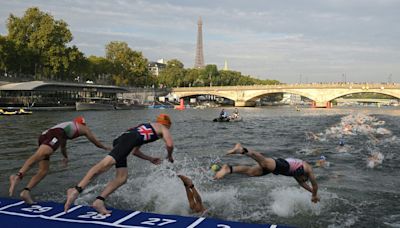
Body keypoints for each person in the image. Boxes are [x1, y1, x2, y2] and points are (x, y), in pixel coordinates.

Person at [64, 114, 174, 215]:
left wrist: (150, 159)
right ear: (167, 124)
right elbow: (170, 145)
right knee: (103, 165)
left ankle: (99, 201)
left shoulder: (147, 126)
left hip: (121, 139)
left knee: (122, 177)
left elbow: (134, 151)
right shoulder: (163, 128)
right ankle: (75, 190)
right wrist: (169, 156)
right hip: (128, 140)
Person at [8, 116, 111, 204]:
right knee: (43, 153)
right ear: (83, 124)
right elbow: (95, 142)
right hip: (53, 135)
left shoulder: (66, 130)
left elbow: (63, 146)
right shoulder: (83, 128)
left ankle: (26, 192)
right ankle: (18, 175)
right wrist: (106, 147)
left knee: (43, 171)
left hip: (45, 136)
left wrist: (65, 157)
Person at [214, 143, 320, 203]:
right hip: (283, 164)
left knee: (251, 172)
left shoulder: (298, 176)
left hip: (279, 168)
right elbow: (315, 185)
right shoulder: (307, 169)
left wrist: (312, 193)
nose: (302, 181)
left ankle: (229, 169)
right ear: (304, 176)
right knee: (264, 162)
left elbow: (304, 185)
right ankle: (241, 149)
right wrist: (314, 194)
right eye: (304, 179)